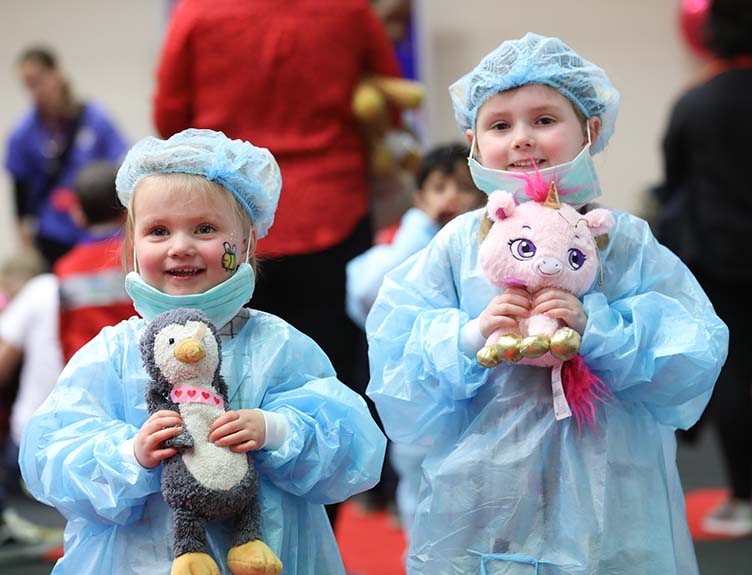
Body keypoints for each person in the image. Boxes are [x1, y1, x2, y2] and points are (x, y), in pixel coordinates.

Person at [365, 33, 729, 575]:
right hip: (487, 483)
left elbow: (692, 348)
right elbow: (396, 350)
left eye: (544, 120)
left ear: (591, 129)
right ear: (472, 141)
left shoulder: (623, 242)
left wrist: (598, 327)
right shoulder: (460, 244)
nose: (522, 139)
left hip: (612, 474)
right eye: (500, 125)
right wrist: (470, 335)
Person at [19, 128, 387, 575]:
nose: (180, 246)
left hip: (268, 554)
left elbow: (351, 445)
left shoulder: (278, 345)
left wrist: (275, 429)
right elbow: (52, 455)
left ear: (247, 241)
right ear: (133, 246)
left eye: (205, 228)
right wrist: (130, 453)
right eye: (158, 231)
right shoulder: (112, 353)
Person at [152, 6, 400, 527]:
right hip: (331, 211)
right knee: (323, 384)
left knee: (207, 369)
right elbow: (390, 102)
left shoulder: (197, 13)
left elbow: (171, 122)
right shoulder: (349, 10)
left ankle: (212, 521)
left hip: (222, 222)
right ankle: (309, 531)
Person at [655, 0, 752, 537]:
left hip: (719, 252)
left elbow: (675, 181)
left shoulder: (697, 102)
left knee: (736, 374)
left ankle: (743, 497)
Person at [5, 46, 127, 266]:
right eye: (29, 84)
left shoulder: (94, 118)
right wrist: (26, 247)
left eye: (40, 79)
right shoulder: (22, 134)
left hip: (99, 228)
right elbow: (20, 194)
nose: (37, 90)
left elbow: (121, 165)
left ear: (56, 73)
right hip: (54, 234)